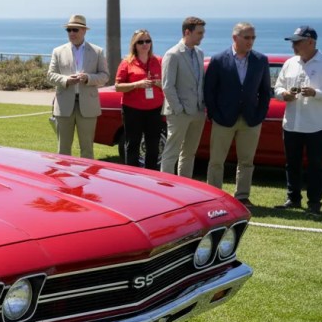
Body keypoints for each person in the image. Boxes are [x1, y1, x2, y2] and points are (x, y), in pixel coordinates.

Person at [272, 26, 322, 215]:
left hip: (315, 124)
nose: (293, 46)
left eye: (297, 42)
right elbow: (278, 87)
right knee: (292, 163)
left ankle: (314, 203)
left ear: (310, 41)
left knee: (315, 165)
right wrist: (284, 94)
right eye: (293, 42)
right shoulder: (290, 63)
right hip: (292, 122)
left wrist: (317, 93)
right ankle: (293, 198)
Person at [203, 22, 272, 206]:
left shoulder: (261, 60)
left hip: (251, 120)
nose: (251, 41)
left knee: (247, 161)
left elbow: (266, 91)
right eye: (247, 37)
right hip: (223, 118)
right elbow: (209, 90)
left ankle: (242, 196)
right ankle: (215, 195)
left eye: (253, 38)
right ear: (235, 38)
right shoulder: (218, 60)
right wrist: (214, 114)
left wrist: (260, 114)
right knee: (217, 160)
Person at [47, 14, 109, 158]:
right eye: (69, 30)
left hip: (88, 105)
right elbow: (50, 75)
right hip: (64, 105)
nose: (71, 33)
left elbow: (104, 76)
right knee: (63, 149)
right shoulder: (58, 51)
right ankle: (63, 178)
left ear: (84, 31)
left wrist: (88, 78)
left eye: (75, 30)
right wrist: (66, 80)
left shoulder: (97, 51)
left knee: (87, 149)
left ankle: (87, 180)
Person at [160, 16, 207, 177]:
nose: (202, 36)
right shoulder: (172, 54)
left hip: (198, 111)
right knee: (171, 152)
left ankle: (185, 188)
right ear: (187, 32)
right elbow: (167, 85)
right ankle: (165, 187)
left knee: (189, 153)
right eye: (199, 33)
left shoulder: (200, 53)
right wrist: (179, 109)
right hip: (179, 113)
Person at [114, 29, 164, 169]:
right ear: (134, 44)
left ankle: (151, 175)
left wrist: (159, 84)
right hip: (132, 110)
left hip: (154, 109)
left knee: (153, 144)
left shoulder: (159, 61)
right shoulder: (127, 62)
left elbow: (168, 83)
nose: (144, 44)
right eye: (140, 42)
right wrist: (137, 84)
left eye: (147, 41)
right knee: (133, 144)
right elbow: (118, 87)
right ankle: (132, 175)